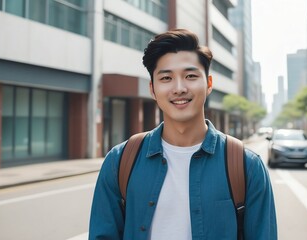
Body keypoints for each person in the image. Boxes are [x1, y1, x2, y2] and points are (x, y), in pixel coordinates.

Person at [89, 29, 277, 239]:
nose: (179, 88)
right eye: (166, 77)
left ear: (208, 84)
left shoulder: (246, 166)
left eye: (190, 76)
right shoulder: (120, 161)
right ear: (152, 89)